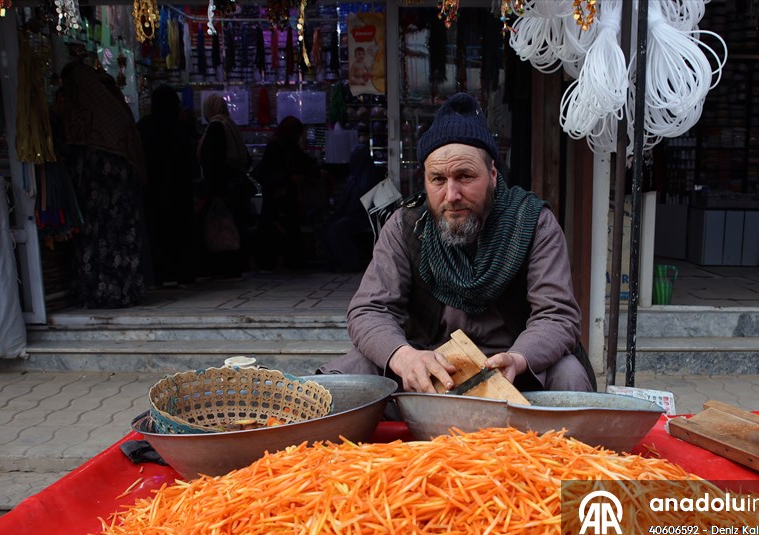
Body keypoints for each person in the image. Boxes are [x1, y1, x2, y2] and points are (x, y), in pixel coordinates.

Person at [318, 92, 594, 393]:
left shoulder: (532, 222)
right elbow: (368, 310)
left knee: (568, 373)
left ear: (491, 174)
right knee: (348, 373)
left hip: (515, 369)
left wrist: (518, 358)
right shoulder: (406, 225)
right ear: (424, 180)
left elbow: (557, 315)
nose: (451, 195)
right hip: (431, 367)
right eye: (438, 179)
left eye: (465, 176)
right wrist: (405, 357)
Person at [60, 59, 148, 308]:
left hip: (98, 194)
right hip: (118, 195)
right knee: (116, 240)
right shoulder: (113, 110)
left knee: (98, 240)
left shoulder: (85, 116)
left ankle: (102, 292)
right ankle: (122, 291)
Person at [137, 85, 199, 286]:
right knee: (181, 233)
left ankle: (159, 275)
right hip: (178, 189)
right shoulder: (179, 127)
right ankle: (184, 274)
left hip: (153, 190)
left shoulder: (145, 127)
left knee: (158, 233)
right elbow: (190, 161)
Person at [251, 116, 320, 271]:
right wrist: (290, 179)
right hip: (278, 196)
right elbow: (272, 172)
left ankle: (280, 261)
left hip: (284, 197)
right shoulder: (278, 148)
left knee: (284, 229)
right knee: (279, 229)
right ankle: (278, 261)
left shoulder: (287, 147)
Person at [197, 94, 251, 279]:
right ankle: (235, 266)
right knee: (232, 228)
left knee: (220, 229)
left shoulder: (216, 127)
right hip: (235, 188)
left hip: (221, 189)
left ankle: (223, 267)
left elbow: (213, 161)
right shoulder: (231, 126)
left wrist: (212, 190)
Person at [320, 141, 385, 272]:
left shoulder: (372, 177)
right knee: (326, 225)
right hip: (351, 215)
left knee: (338, 228)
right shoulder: (354, 177)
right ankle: (334, 262)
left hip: (364, 218)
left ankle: (350, 264)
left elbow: (370, 206)